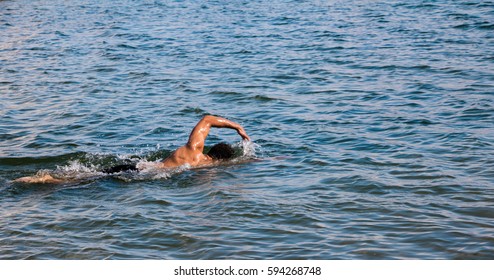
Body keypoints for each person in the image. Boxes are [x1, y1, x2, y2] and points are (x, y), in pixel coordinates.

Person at [14, 115, 250, 183]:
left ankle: (44, 179)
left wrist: (237, 127)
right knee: (85, 179)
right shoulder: (207, 168)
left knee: (88, 175)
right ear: (220, 159)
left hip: (138, 168)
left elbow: (207, 118)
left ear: (211, 146)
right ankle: (44, 181)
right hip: (142, 177)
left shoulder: (193, 149)